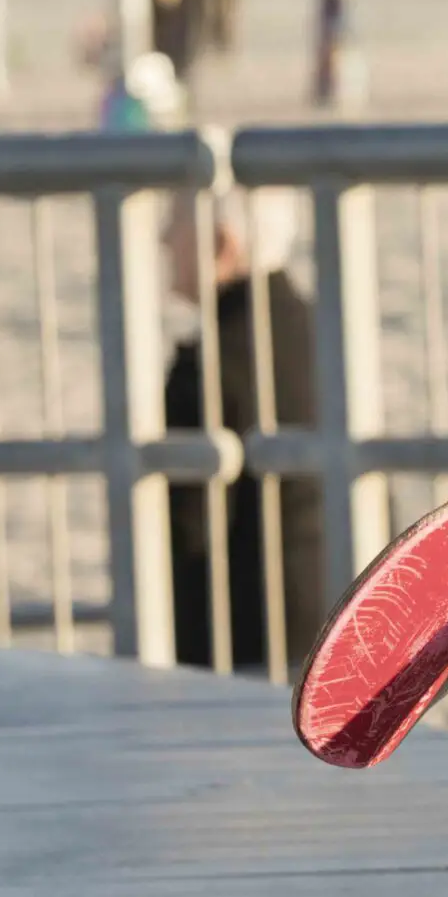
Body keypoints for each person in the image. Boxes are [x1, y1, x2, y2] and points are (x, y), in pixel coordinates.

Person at [164, 190, 323, 672]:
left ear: (222, 244)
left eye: (174, 225)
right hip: (340, 626)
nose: (162, 239)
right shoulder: (317, 329)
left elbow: (186, 540)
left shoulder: (209, 364)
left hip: (248, 651)